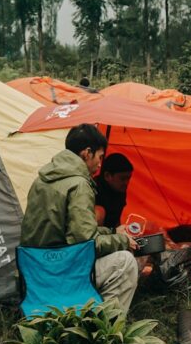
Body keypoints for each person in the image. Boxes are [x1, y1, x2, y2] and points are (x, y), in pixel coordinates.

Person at [21, 124, 140, 313]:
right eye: (100, 157)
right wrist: (123, 240)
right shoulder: (79, 184)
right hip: (60, 273)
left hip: (35, 271)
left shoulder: (41, 180)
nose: (101, 164)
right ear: (87, 153)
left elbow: (68, 231)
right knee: (124, 261)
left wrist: (110, 232)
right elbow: (86, 244)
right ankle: (104, 328)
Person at [93, 153, 134, 230]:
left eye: (128, 178)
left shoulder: (120, 190)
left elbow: (116, 220)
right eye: (122, 179)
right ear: (107, 176)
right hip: (92, 234)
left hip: (110, 232)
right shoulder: (92, 187)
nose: (126, 183)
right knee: (99, 211)